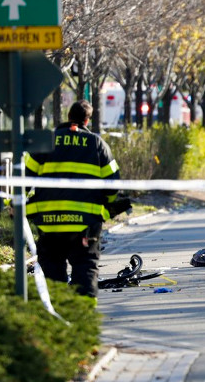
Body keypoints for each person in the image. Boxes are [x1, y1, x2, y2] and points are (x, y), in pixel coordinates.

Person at [25, 100, 122, 299]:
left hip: (49, 222)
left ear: (68, 117)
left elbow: (23, 179)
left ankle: (57, 313)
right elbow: (113, 185)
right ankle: (83, 314)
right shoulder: (97, 144)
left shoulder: (45, 143)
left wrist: (13, 206)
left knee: (52, 267)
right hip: (85, 224)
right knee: (85, 266)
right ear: (87, 120)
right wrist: (108, 205)